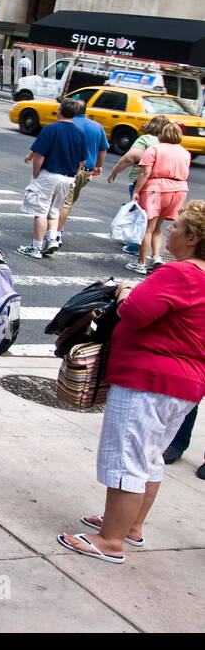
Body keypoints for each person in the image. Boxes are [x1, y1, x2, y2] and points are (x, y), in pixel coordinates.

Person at [57, 200, 205, 562]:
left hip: (150, 380)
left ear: (194, 237)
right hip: (183, 385)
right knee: (150, 458)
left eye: (177, 226)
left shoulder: (181, 273)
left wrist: (125, 293)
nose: (169, 229)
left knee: (126, 459)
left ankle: (110, 541)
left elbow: (136, 313)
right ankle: (129, 526)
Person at [16, 96, 86, 260]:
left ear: (60, 111)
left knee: (40, 211)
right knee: (54, 210)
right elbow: (82, 161)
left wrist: (36, 172)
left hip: (50, 174)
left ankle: (36, 247)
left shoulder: (51, 129)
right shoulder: (80, 133)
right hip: (68, 177)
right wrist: (74, 174)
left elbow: (40, 155)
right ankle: (52, 238)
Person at [127, 121, 192, 274]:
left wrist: (137, 190)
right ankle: (156, 256)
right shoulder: (185, 152)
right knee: (158, 226)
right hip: (178, 190)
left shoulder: (154, 149)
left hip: (156, 190)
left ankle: (141, 263)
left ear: (162, 135)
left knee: (147, 227)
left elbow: (144, 173)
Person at [107, 115, 170, 257]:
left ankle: (135, 245)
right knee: (152, 218)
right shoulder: (167, 143)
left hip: (143, 182)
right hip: (161, 184)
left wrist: (115, 171)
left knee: (140, 214)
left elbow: (130, 158)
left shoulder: (145, 140)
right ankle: (153, 253)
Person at [53, 98, 109, 252]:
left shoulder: (69, 125)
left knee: (64, 202)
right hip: (87, 172)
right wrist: (99, 165)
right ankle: (56, 229)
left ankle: (56, 234)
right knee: (69, 201)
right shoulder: (97, 127)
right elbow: (103, 148)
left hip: (69, 169)